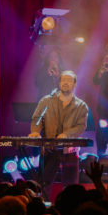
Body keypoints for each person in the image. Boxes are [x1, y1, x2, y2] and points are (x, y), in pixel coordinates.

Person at [29, 70, 89, 198]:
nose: (65, 83)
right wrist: (35, 131)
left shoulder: (81, 105)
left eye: (69, 80)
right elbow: (37, 118)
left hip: (70, 149)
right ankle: (42, 204)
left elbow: (81, 126)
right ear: (59, 83)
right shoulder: (46, 101)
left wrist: (67, 134)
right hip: (49, 148)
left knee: (71, 185)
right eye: (63, 80)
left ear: (74, 84)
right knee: (43, 183)